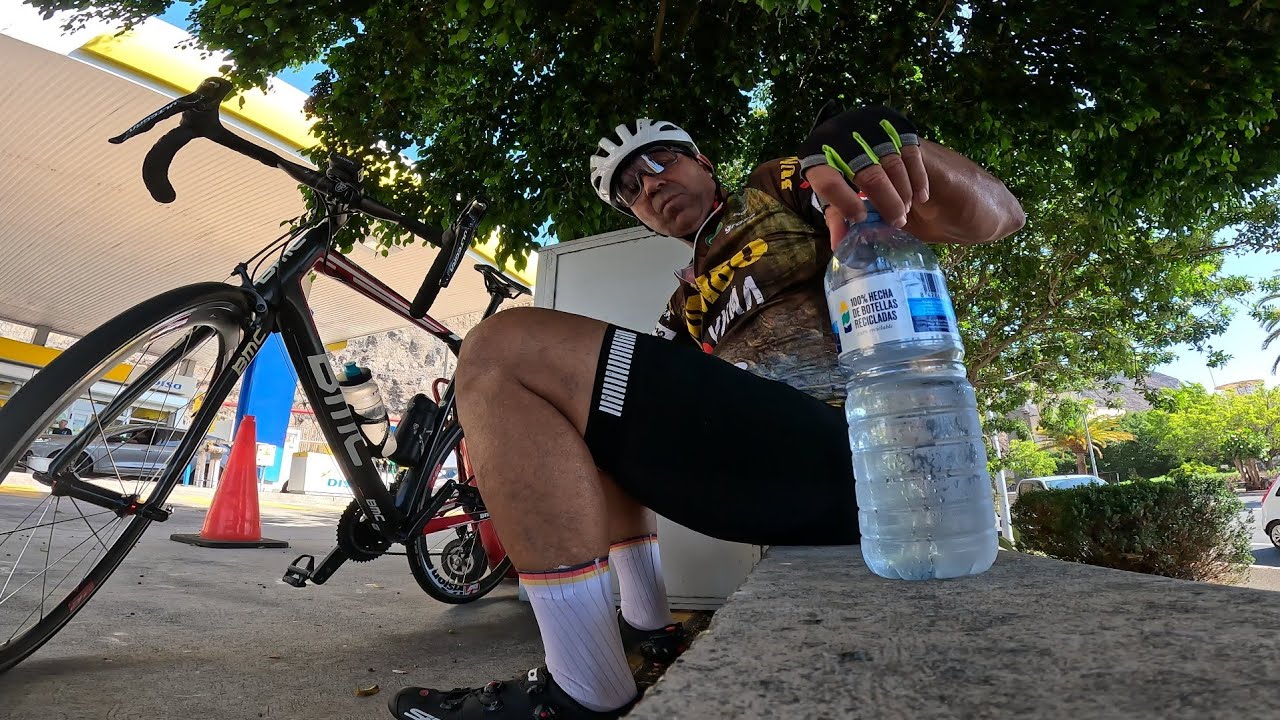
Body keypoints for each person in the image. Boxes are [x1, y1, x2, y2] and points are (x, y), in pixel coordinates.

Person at [389, 105, 1025, 720]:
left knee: (502, 346)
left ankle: (582, 690)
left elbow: (999, 217)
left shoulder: (773, 186)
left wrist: (879, 151)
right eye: (632, 189)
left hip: (858, 444)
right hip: (762, 481)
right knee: (580, 428)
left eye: (659, 161)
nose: (651, 185)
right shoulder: (684, 300)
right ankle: (648, 628)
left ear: (703, 161)